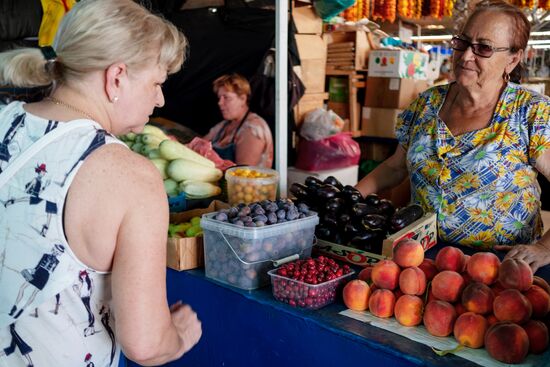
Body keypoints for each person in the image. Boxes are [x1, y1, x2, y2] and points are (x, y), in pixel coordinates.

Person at [0, 0, 202, 366]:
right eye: (156, 83)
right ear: (117, 77)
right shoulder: (129, 176)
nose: (159, 99)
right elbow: (146, 344)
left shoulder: (5, 119)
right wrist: (180, 335)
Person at [356, 0, 550, 273]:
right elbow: (394, 167)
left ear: (513, 58)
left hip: (500, 270)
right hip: (421, 259)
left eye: (483, 48)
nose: (466, 56)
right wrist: (348, 197)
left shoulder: (531, 113)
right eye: (462, 42)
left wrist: (544, 248)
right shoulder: (426, 104)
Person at [204, 73, 274, 168]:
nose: (220, 103)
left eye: (226, 98)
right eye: (219, 98)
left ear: (242, 99)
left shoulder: (252, 130)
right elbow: (199, 145)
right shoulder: (223, 125)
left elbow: (243, 174)